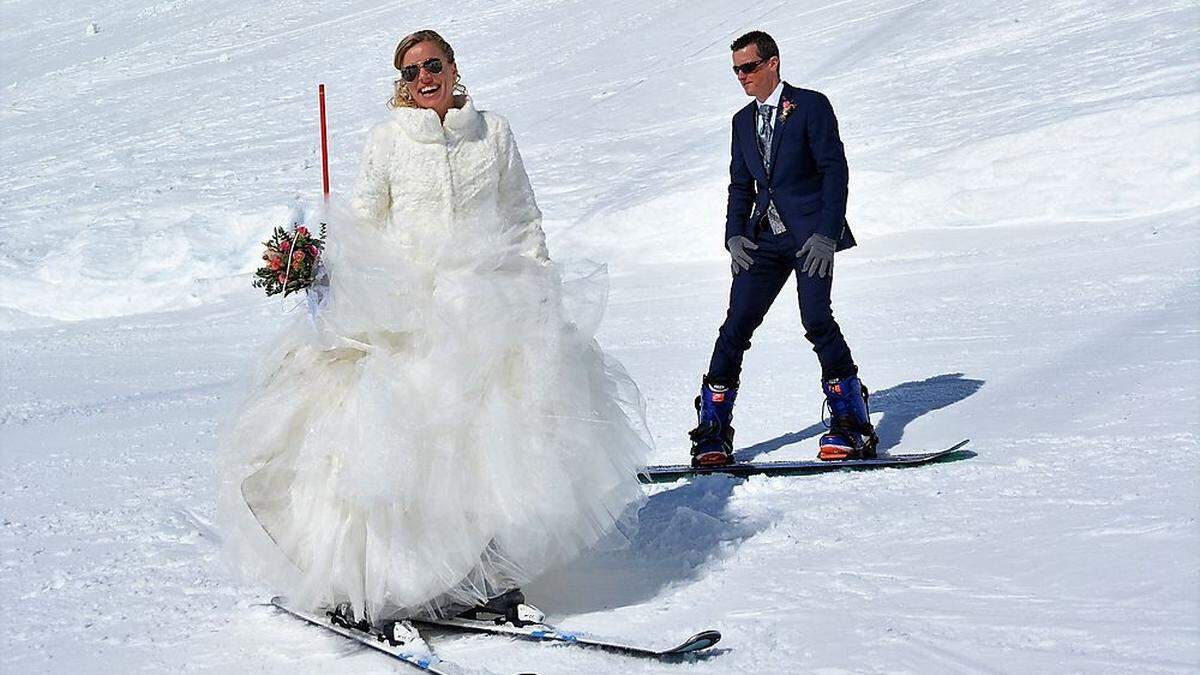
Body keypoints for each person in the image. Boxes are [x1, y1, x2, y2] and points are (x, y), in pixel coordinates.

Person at [220, 30, 650, 629]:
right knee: (406, 448)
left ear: (453, 67)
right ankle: (377, 581)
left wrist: (541, 285)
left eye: (434, 64)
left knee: (499, 447)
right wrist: (332, 274)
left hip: (491, 308)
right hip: (410, 313)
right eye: (411, 70)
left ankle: (490, 580)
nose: (425, 77)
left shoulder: (493, 133)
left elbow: (523, 216)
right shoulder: (388, 141)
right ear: (402, 82)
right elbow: (364, 223)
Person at [688, 30, 878, 467]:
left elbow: (835, 170)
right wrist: (733, 234)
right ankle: (713, 430)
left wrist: (828, 234)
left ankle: (852, 420)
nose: (742, 77)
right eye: (736, 69)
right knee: (736, 326)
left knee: (816, 320)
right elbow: (741, 184)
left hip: (811, 237)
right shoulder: (741, 121)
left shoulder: (811, 105)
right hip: (763, 241)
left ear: (773, 63)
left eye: (749, 67)